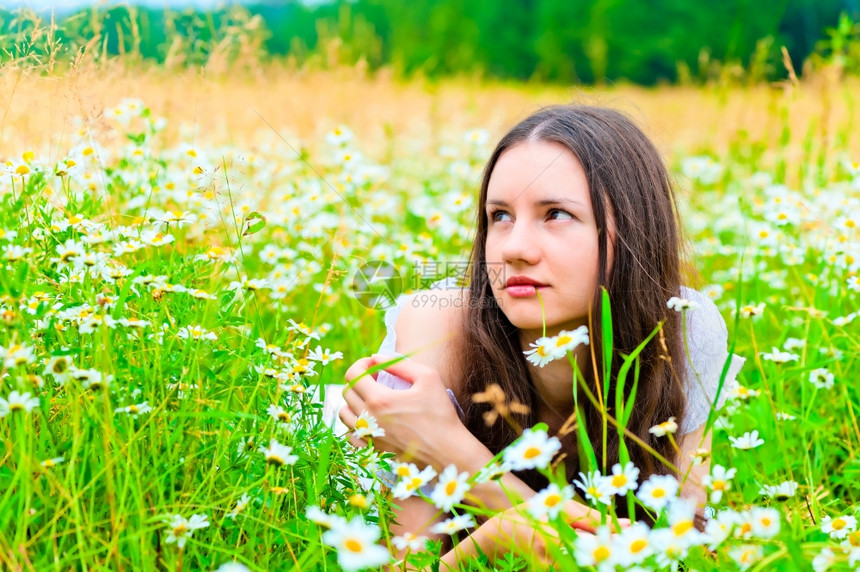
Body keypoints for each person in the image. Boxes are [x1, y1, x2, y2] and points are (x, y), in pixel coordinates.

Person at [328, 105, 744, 567]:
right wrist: (495, 539)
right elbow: (405, 565)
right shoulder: (438, 329)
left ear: (631, 234)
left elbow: (688, 549)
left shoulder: (684, 326)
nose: (514, 249)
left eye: (557, 214)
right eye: (499, 216)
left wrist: (452, 452)